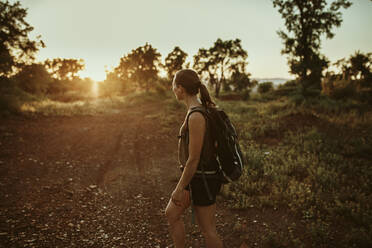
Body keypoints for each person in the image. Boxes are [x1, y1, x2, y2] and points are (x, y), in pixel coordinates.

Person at [165, 69, 223, 248]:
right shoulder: (196, 110)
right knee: (171, 213)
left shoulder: (197, 115)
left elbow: (193, 159)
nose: (173, 89)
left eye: (174, 86)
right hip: (196, 176)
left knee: (207, 230)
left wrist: (179, 188)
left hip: (203, 178)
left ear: (180, 88)